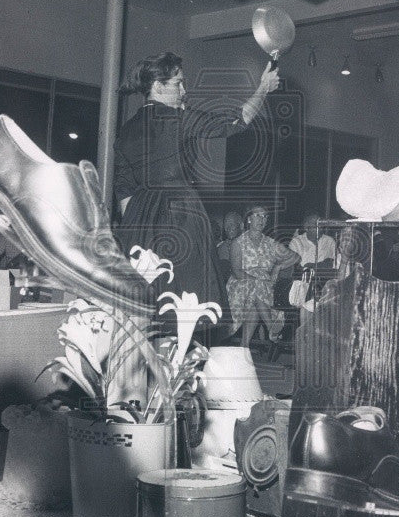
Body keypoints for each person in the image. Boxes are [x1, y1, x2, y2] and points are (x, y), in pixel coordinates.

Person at [114, 52, 279, 308]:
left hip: (137, 220)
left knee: (144, 302)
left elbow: (124, 190)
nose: (183, 89)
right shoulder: (179, 119)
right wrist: (263, 89)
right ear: (157, 86)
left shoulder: (126, 130)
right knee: (185, 301)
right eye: (178, 82)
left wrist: (137, 229)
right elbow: (237, 120)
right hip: (180, 215)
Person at [227, 205, 299, 349]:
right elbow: (236, 271)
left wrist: (278, 267)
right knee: (257, 288)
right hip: (241, 284)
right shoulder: (238, 243)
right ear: (249, 219)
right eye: (258, 216)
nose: (262, 220)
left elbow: (296, 257)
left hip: (263, 288)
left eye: (265, 217)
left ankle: (244, 347)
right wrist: (258, 280)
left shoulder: (270, 244)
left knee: (256, 299)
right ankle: (271, 327)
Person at [288, 212, 337, 316]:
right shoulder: (297, 242)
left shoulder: (329, 241)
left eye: (321, 225)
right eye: (316, 225)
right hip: (303, 282)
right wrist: (322, 264)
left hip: (324, 283)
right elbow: (297, 267)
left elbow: (332, 264)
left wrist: (312, 265)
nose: (320, 227)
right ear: (307, 227)